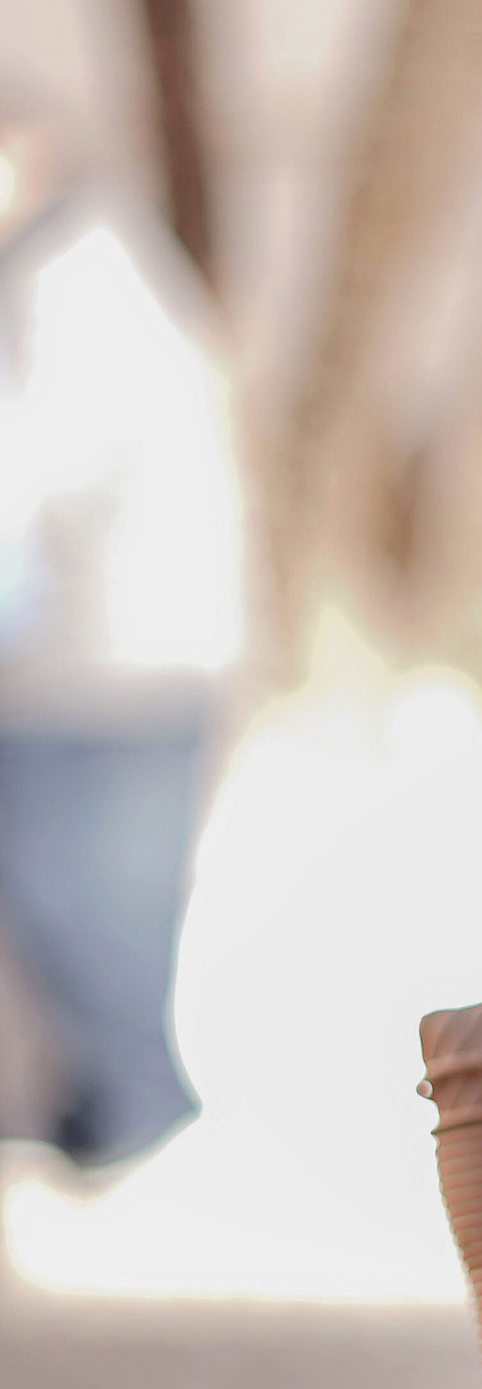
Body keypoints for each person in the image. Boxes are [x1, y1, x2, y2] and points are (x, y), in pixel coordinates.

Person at [0, 97, 241, 1170]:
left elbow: (27, 471)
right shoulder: (60, 272)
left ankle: (136, 1132)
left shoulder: (80, 283)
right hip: (93, 660)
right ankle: (108, 1122)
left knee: (89, 904)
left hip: (125, 658)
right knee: (67, 897)